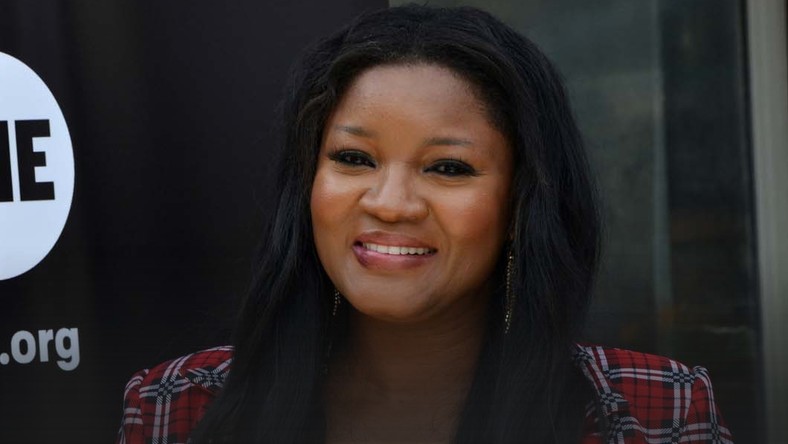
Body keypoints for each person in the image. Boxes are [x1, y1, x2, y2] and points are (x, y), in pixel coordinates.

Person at [116, 5, 733, 444]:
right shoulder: (178, 407)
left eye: (448, 167)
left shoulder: (657, 412)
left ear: (523, 202)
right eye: (354, 158)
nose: (390, 204)